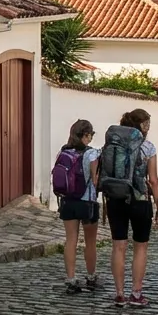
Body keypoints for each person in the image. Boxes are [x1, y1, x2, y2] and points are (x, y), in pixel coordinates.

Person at [101, 108, 158, 308]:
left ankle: (119, 294)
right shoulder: (148, 147)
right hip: (139, 199)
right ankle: (136, 293)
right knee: (140, 246)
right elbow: (153, 180)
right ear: (143, 126)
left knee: (118, 245)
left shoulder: (113, 143)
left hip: (115, 198)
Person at [54, 120, 101, 293]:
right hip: (87, 202)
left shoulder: (63, 151)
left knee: (70, 240)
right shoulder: (92, 154)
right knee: (90, 242)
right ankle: (90, 276)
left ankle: (71, 279)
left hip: (68, 202)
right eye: (90, 135)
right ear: (86, 135)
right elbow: (95, 181)